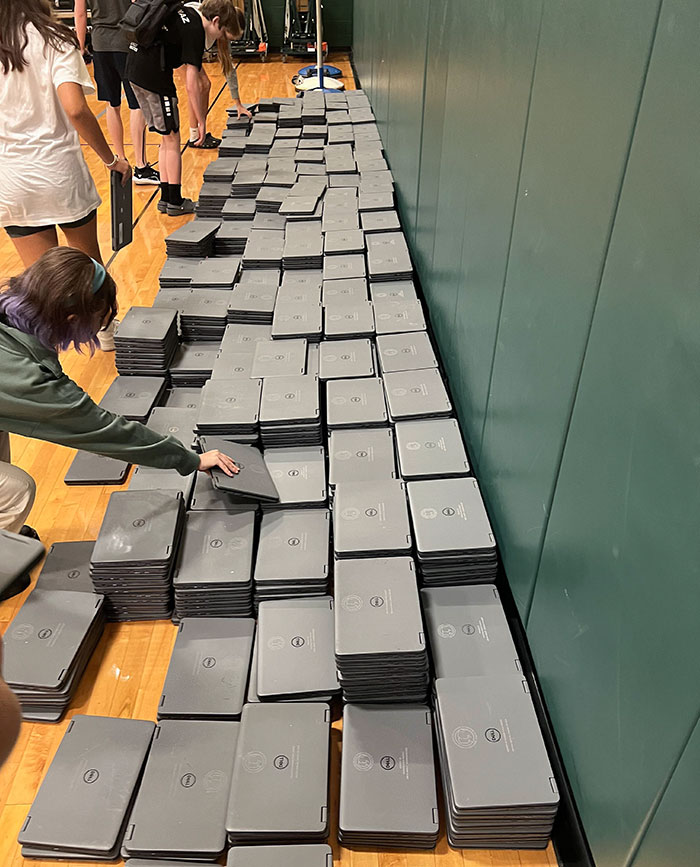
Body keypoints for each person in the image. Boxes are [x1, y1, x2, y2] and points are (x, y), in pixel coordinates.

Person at [0, 247, 239, 598]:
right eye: (100, 320)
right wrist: (189, 459)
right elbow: (103, 429)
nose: (101, 328)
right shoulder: (26, 380)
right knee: (16, 489)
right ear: (71, 318)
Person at [0, 0, 131, 351]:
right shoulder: (55, 38)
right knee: (90, 269)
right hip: (59, 173)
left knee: (41, 289)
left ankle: (45, 363)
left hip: (12, 179)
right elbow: (75, 108)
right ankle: (105, 333)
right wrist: (111, 159)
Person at [125, 0, 244, 216]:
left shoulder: (188, 12)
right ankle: (176, 201)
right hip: (154, 76)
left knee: (166, 138)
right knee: (173, 139)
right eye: (222, 33)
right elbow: (192, 85)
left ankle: (165, 198)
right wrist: (201, 122)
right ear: (216, 21)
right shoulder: (195, 31)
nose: (220, 39)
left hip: (134, 70)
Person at [73, 0, 160, 185]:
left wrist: (80, 47)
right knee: (137, 104)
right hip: (127, 41)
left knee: (112, 104)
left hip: (100, 44)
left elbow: (80, 13)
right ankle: (141, 166)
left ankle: (120, 160)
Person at [184, 2, 251, 149]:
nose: (228, 40)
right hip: (178, 48)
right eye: (229, 37)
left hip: (186, 47)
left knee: (205, 84)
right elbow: (191, 85)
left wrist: (238, 103)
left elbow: (229, 68)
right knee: (198, 86)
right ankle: (194, 136)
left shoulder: (221, 28)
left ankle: (199, 132)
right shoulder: (205, 27)